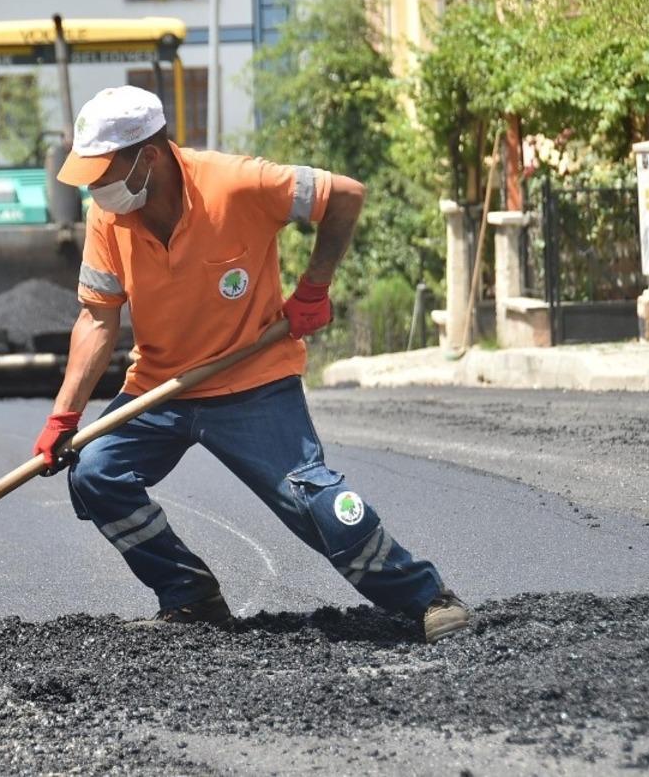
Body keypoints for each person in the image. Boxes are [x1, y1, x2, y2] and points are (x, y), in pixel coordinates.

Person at [32, 86, 471, 643]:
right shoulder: (107, 218)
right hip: (160, 388)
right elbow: (97, 319)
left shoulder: (236, 183)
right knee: (96, 473)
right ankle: (190, 596)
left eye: (103, 169)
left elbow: (346, 195)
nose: (95, 185)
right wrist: (64, 418)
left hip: (252, 380)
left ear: (148, 153)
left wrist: (314, 288)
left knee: (319, 505)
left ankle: (425, 596)